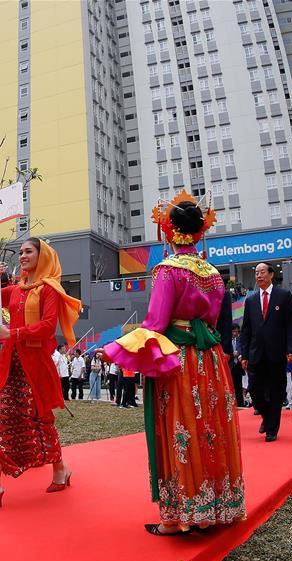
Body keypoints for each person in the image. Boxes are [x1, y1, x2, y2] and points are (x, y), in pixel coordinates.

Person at [103, 190, 245, 535]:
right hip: (210, 362)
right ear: (199, 231)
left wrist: (119, 346)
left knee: (182, 429)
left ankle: (182, 514)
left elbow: (156, 323)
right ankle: (219, 506)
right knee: (211, 429)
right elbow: (214, 320)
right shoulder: (213, 273)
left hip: (180, 360)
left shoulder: (167, 271)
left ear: (168, 230)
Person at [0, 238, 81, 513]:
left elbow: (46, 328)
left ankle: (60, 468)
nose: (22, 257)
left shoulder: (49, 289)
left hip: (34, 364)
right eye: (20, 252)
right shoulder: (16, 289)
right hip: (9, 365)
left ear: (42, 256)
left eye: (28, 251)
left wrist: (13, 334)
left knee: (41, 419)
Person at [239, 262, 292, 442]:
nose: (259, 276)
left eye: (262, 272)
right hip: (256, 353)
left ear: (271, 274)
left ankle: (272, 428)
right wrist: (244, 353)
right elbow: (246, 329)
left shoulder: (284, 296)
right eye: (256, 273)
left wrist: (291, 349)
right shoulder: (250, 300)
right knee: (255, 390)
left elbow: (291, 325)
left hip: (277, 352)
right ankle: (266, 416)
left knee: (276, 391)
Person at [229, 324, 246, 407]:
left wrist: (240, 354)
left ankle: (240, 404)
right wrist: (232, 354)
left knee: (239, 385)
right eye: (234, 331)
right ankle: (231, 404)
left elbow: (243, 349)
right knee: (230, 385)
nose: (235, 333)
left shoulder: (240, 340)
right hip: (230, 366)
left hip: (238, 366)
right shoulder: (227, 340)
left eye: (237, 331)